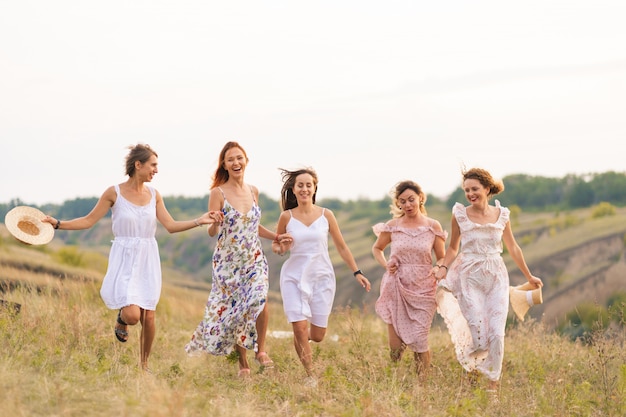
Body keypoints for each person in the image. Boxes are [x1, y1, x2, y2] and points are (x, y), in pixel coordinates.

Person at [42, 143, 218, 372]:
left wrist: (199, 220)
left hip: (148, 257)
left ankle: (144, 366)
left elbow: (171, 226)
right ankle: (122, 319)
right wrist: (57, 224)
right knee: (134, 315)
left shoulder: (154, 195)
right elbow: (88, 220)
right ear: (138, 164)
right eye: (153, 165)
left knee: (149, 316)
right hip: (124, 258)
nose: (156, 170)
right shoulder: (113, 192)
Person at [184, 141, 291, 377]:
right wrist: (214, 222)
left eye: (239, 158)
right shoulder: (218, 192)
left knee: (259, 299)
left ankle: (260, 351)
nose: (236, 162)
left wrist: (276, 236)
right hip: (228, 263)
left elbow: (252, 226)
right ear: (224, 164)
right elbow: (212, 231)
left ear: (246, 160)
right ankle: (242, 362)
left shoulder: (254, 191)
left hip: (253, 258)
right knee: (237, 311)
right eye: (230, 159)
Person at [433, 167, 543, 394]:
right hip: (469, 276)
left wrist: (529, 275)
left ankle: (492, 386)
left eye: (474, 189)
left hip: (496, 277)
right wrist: (443, 267)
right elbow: (453, 247)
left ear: (487, 188)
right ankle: (471, 371)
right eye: (466, 190)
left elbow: (513, 247)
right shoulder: (460, 214)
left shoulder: (502, 215)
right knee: (478, 332)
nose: (470, 194)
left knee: (496, 333)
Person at [272, 167, 371, 387]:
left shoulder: (327, 215)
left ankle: (300, 338)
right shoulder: (286, 217)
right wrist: (282, 247)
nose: (305, 189)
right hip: (293, 277)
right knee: (299, 327)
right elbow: (276, 246)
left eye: (309, 185)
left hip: (322, 277)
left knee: (317, 335)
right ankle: (311, 376)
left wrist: (357, 272)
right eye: (300, 185)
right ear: (293, 189)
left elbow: (342, 247)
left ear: (315, 188)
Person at [371, 180, 447, 380]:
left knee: (420, 341)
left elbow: (442, 256)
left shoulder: (433, 226)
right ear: (398, 204)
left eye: (411, 200)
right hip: (397, 284)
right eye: (402, 201)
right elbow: (377, 248)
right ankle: (394, 383)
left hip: (424, 287)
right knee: (396, 348)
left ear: (420, 198)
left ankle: (422, 385)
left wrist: (439, 267)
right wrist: (386, 264)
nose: (407, 205)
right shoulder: (393, 226)